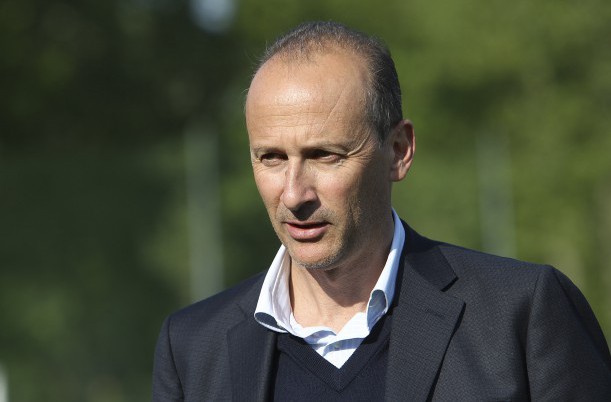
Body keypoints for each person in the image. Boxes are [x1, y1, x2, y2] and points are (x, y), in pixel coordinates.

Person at [152, 21, 611, 401]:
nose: (293, 194)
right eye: (271, 157)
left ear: (398, 150)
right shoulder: (192, 349)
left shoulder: (521, 317)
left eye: (324, 155)